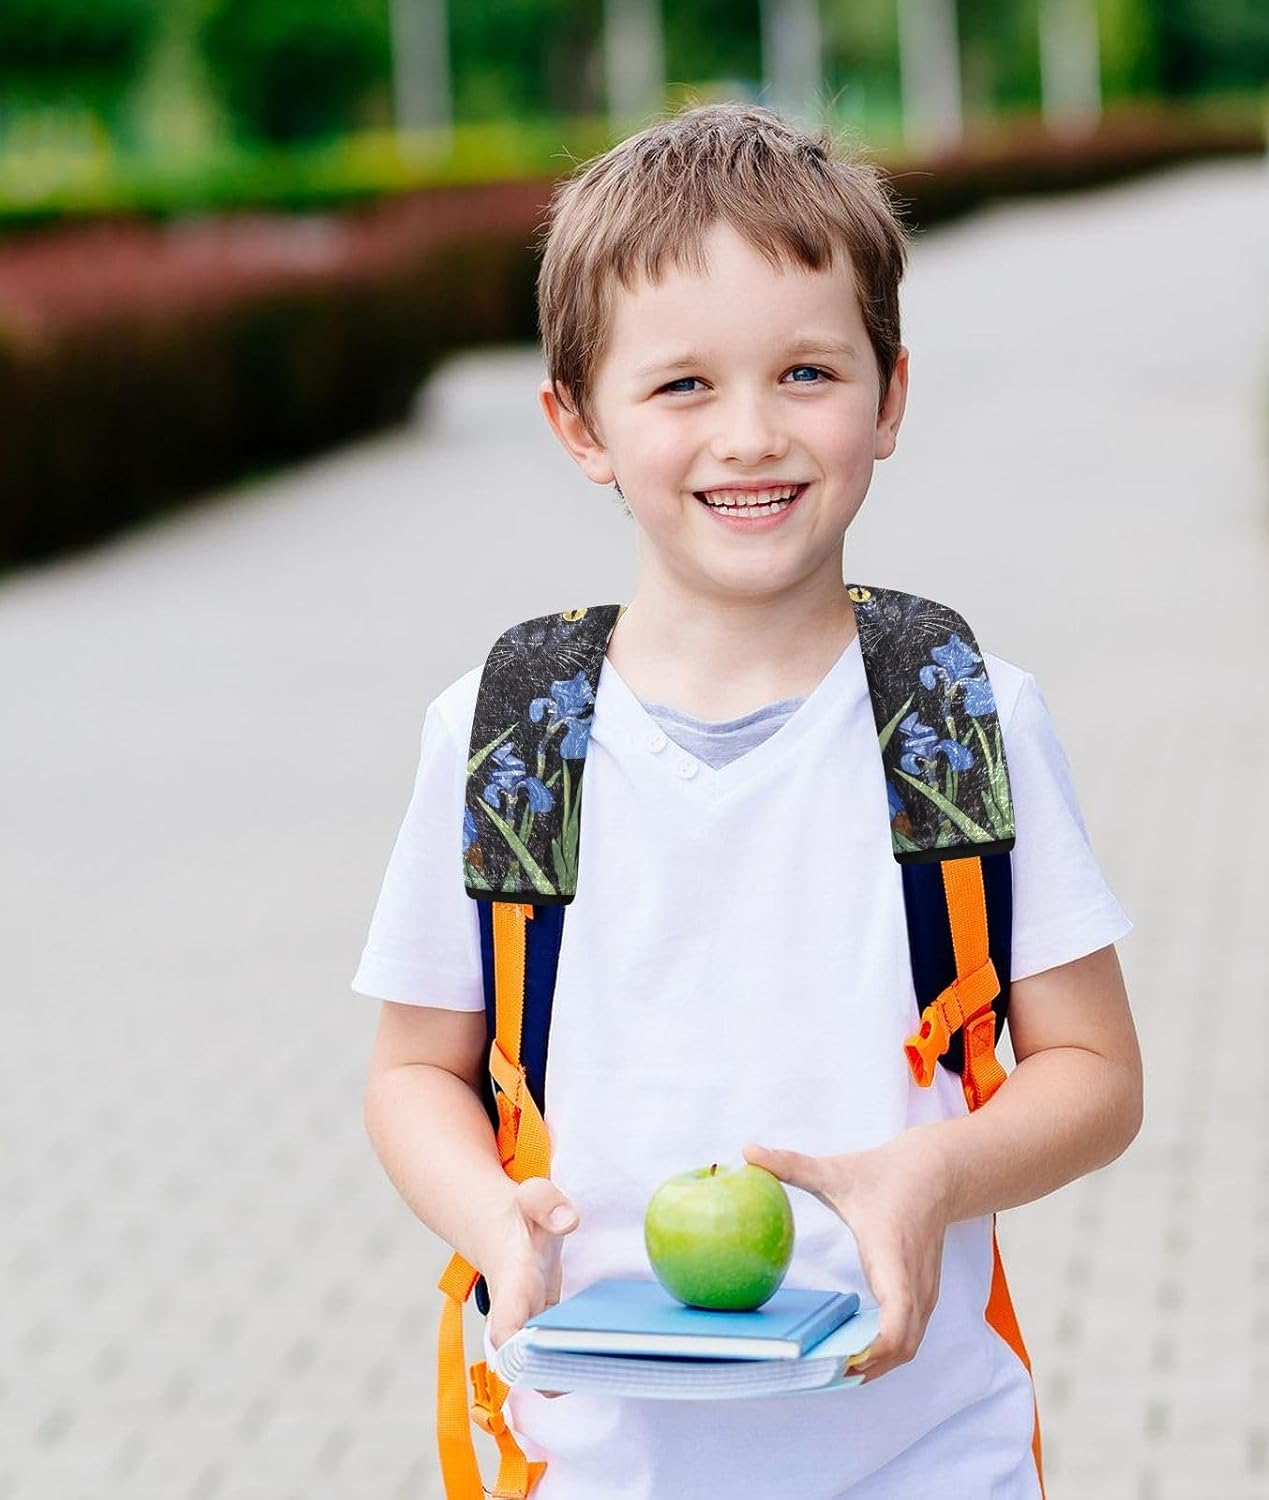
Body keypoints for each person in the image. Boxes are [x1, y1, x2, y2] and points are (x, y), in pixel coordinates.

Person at [356, 100, 1142, 1499]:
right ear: (577, 423)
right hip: (589, 1456)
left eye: (805, 372)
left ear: (890, 395)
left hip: (920, 1448)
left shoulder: (958, 719)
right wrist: (494, 1221)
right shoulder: (509, 737)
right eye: (681, 388)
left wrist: (937, 1174)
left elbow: (1094, 1074)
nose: (752, 434)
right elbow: (418, 1070)